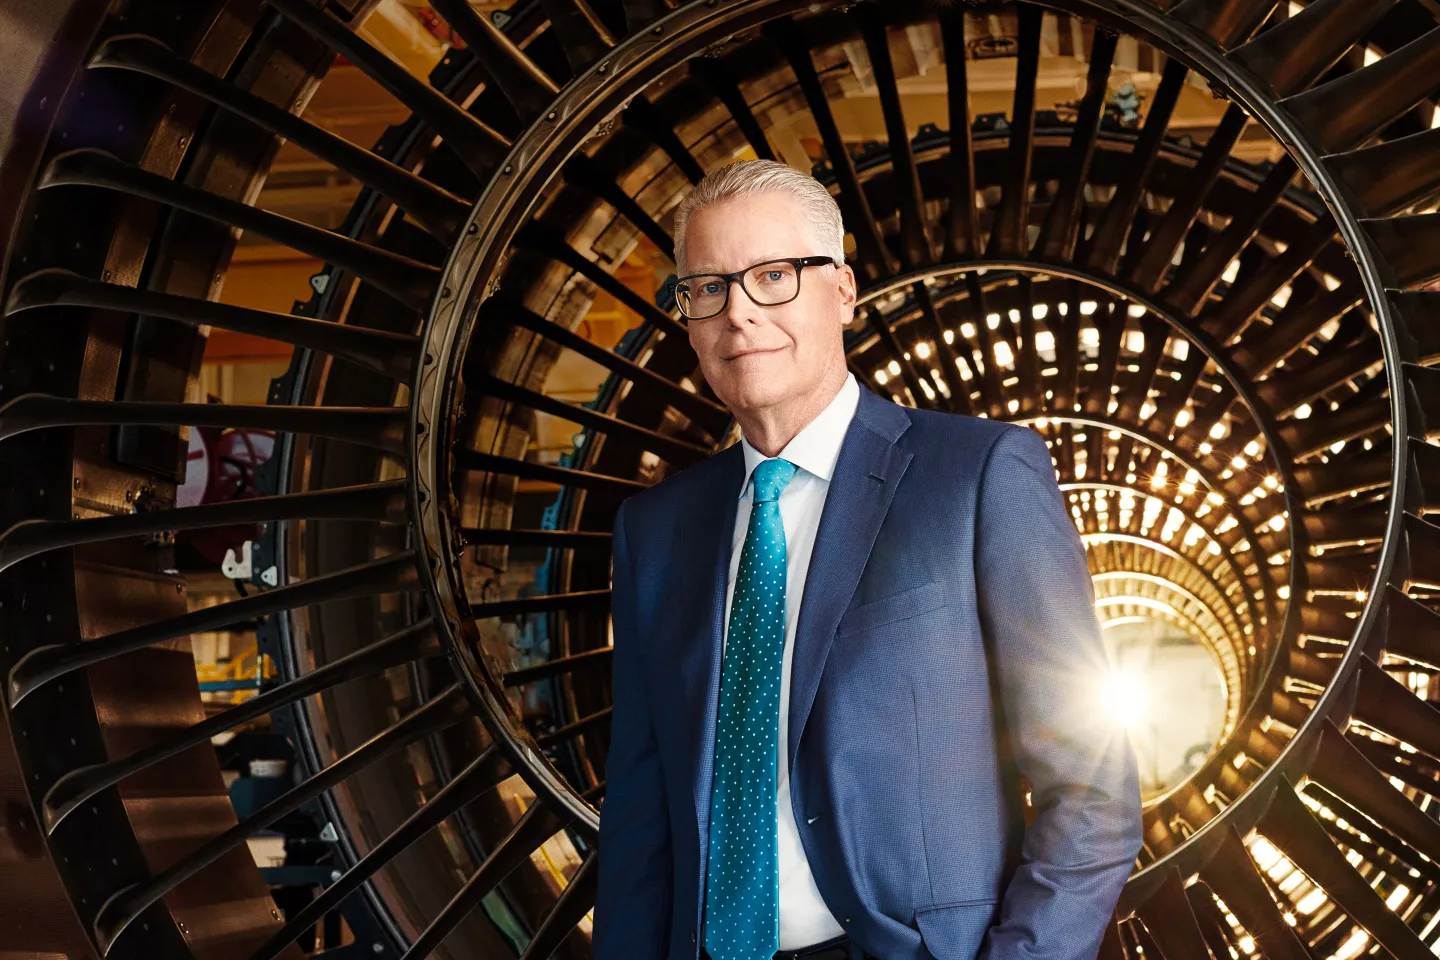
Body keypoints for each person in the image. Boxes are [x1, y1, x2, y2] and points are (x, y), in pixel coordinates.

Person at [592, 159, 1144, 960]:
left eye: (773, 276)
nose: (740, 315)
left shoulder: (978, 476)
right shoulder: (655, 532)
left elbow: (1092, 790)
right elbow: (641, 819)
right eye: (707, 288)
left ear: (843, 291)